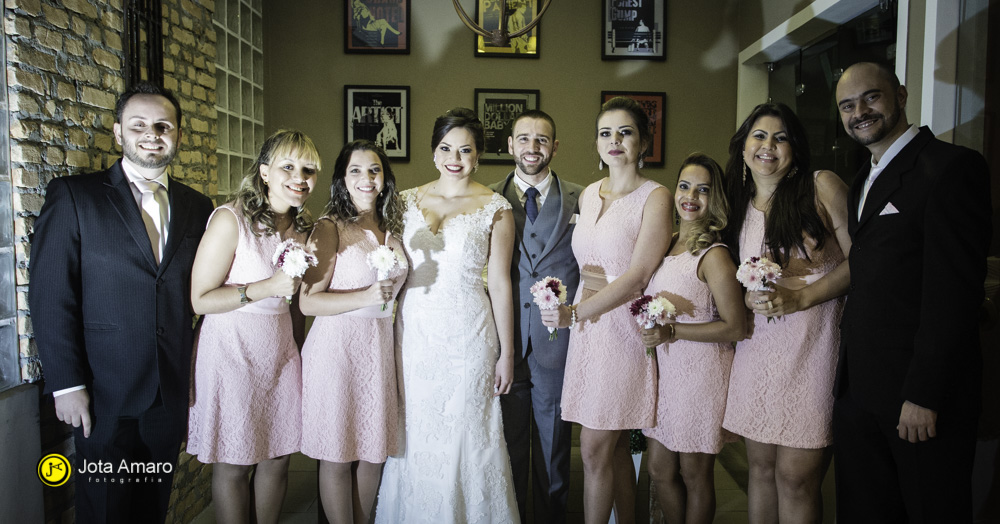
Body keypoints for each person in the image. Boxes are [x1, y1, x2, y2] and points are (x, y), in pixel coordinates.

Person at [30, 82, 214, 523]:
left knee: (152, 510)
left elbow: (200, 295)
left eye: (163, 126)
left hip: (169, 393)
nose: (152, 134)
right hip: (101, 391)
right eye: (139, 126)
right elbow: (52, 295)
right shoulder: (75, 196)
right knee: (104, 512)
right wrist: (67, 384)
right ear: (118, 133)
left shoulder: (199, 206)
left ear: (178, 135)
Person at [832, 62, 992, 522]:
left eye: (871, 98)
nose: (859, 112)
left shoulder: (950, 168)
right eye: (847, 106)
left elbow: (954, 296)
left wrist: (924, 394)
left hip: (917, 399)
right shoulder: (863, 178)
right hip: (860, 391)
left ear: (900, 95)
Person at [374, 108, 519, 523]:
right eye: (446, 148)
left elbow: (501, 283)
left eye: (465, 150)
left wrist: (506, 353)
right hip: (416, 333)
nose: (455, 157)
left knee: (469, 432)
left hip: (471, 335)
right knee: (417, 430)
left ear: (478, 156)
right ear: (434, 152)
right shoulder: (403, 202)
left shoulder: (496, 208)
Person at [541, 96, 673, 523]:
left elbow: (637, 277)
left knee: (595, 447)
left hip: (622, 331)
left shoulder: (656, 197)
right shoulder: (589, 194)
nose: (614, 141)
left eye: (625, 132)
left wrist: (575, 314)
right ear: (596, 144)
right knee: (613, 446)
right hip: (586, 331)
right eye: (605, 133)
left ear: (644, 141)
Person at [720, 102, 850, 523]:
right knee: (760, 470)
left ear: (795, 148)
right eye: (759, 136)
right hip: (758, 350)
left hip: (813, 348)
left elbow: (865, 261)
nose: (768, 146)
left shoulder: (821, 187)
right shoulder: (734, 204)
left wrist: (802, 298)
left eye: (781, 137)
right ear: (743, 148)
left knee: (796, 477)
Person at [186, 130, 319, 524]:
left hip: (279, 353)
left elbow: (295, 306)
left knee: (278, 458)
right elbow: (200, 299)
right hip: (232, 350)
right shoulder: (231, 220)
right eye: (288, 167)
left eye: (309, 169)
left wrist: (299, 352)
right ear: (264, 172)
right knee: (235, 461)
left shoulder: (303, 229)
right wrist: (266, 287)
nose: (300, 177)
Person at [298, 140, 405, 524]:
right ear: (342, 180)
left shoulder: (393, 227)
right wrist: (365, 295)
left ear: (385, 178)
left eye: (374, 170)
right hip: (336, 350)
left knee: (374, 453)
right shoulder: (329, 228)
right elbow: (308, 303)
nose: (366, 178)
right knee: (338, 453)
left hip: (378, 349)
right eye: (355, 170)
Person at [640, 153, 746, 524]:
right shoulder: (667, 244)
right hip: (667, 376)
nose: (691, 197)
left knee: (694, 474)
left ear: (714, 199)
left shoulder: (714, 254)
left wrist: (673, 331)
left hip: (702, 375)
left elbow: (737, 326)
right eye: (684, 186)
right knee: (658, 469)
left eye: (703, 190)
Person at [490, 110, 582, 524]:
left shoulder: (584, 198)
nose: (532, 148)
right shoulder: (486, 200)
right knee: (505, 448)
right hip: (501, 344)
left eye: (542, 139)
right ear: (510, 145)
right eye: (523, 139)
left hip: (557, 345)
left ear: (555, 147)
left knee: (554, 450)